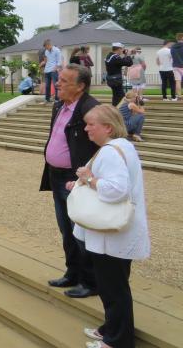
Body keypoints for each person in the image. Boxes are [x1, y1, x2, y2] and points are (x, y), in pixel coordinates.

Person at [66, 104, 150, 348]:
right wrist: (83, 182)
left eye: (91, 124)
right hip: (113, 233)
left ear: (108, 128)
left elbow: (115, 189)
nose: (86, 128)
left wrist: (89, 178)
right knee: (112, 285)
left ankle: (118, 340)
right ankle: (111, 329)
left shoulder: (111, 152)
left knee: (114, 288)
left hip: (112, 234)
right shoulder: (120, 147)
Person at [40, 63, 99, 298]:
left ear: (81, 86)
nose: (57, 83)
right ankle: (72, 273)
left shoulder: (91, 109)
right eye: (59, 79)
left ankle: (90, 281)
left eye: (64, 81)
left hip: (75, 179)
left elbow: (103, 145)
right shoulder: (60, 105)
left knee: (80, 230)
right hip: (56, 176)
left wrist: (88, 176)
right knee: (66, 228)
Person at [105, 43, 133, 107]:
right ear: (119, 49)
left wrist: (125, 55)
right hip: (116, 80)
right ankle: (118, 112)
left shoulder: (109, 55)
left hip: (111, 79)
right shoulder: (115, 57)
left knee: (115, 96)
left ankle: (114, 110)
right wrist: (128, 55)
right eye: (122, 49)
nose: (122, 51)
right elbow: (129, 63)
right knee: (121, 97)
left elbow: (121, 61)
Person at [171, 33, 183, 100]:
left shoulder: (173, 47)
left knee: (178, 81)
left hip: (176, 65)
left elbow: (172, 56)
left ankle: (179, 96)